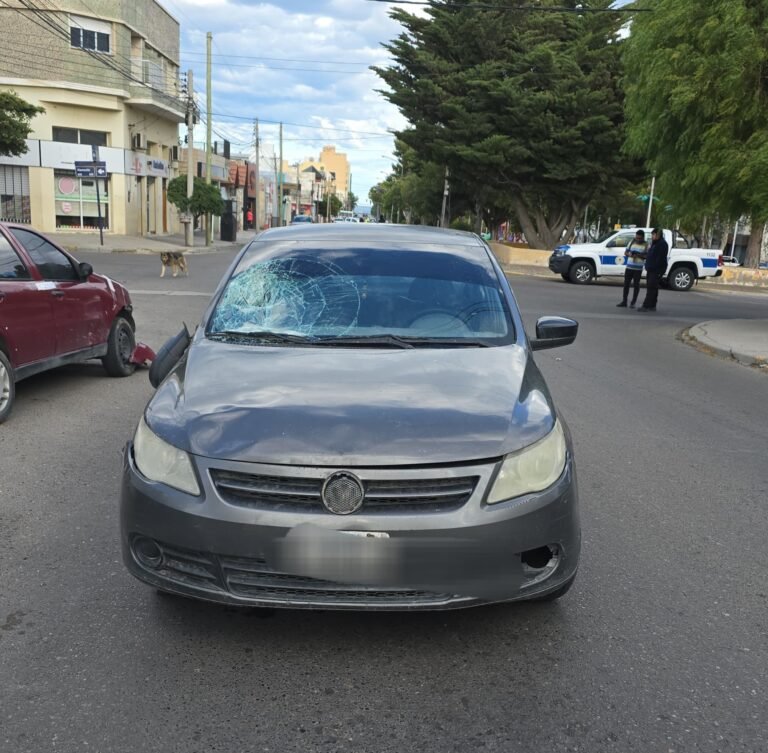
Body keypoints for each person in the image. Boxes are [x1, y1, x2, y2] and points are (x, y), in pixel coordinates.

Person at [638, 227, 669, 312]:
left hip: (656, 269)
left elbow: (660, 258)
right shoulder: (655, 243)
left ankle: (646, 306)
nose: (652, 236)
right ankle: (652, 305)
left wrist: (656, 269)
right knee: (653, 288)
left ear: (658, 235)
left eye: (654, 234)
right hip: (651, 268)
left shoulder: (662, 244)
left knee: (651, 288)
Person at [617, 229, 648, 308]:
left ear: (643, 238)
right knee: (626, 284)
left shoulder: (646, 245)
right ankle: (624, 301)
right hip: (629, 267)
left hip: (638, 269)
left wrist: (638, 255)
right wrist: (630, 254)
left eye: (639, 238)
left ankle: (633, 302)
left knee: (636, 285)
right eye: (637, 238)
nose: (638, 240)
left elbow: (647, 256)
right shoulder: (631, 242)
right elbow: (626, 252)